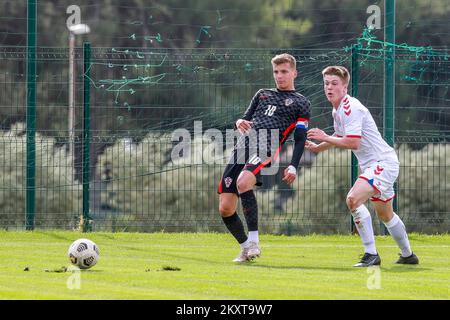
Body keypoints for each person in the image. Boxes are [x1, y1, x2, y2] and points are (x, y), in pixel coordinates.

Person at [306, 66, 419, 267]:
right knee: (386, 215)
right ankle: (408, 255)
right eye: (326, 83)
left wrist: (324, 137)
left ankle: (371, 255)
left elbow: (353, 143)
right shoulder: (337, 109)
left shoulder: (351, 107)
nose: (329, 87)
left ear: (344, 87)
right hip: (375, 165)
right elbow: (340, 137)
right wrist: (318, 148)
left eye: (334, 83)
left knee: (352, 199)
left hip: (382, 163)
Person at [217, 53, 311, 262]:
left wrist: (293, 166)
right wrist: (239, 121)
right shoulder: (262, 94)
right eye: (276, 72)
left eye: (284, 71)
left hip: (265, 146)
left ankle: (254, 242)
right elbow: (245, 119)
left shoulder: (301, 102)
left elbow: (300, 138)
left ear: (294, 73)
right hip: (242, 147)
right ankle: (245, 248)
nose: (279, 76)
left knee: (243, 182)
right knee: (225, 208)